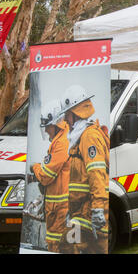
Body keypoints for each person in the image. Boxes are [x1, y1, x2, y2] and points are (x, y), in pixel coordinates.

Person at [60, 85, 110, 254]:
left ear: (76, 112)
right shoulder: (81, 137)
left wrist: (97, 209)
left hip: (89, 211)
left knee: (68, 246)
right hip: (81, 211)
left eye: (67, 114)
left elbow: (97, 174)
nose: (66, 119)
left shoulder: (89, 136)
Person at [29, 99, 71, 253]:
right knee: (54, 244)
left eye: (47, 126)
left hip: (61, 207)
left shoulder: (62, 143)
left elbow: (46, 176)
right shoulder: (61, 139)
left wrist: (35, 167)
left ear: (56, 124)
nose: (46, 130)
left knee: (59, 245)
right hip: (57, 206)